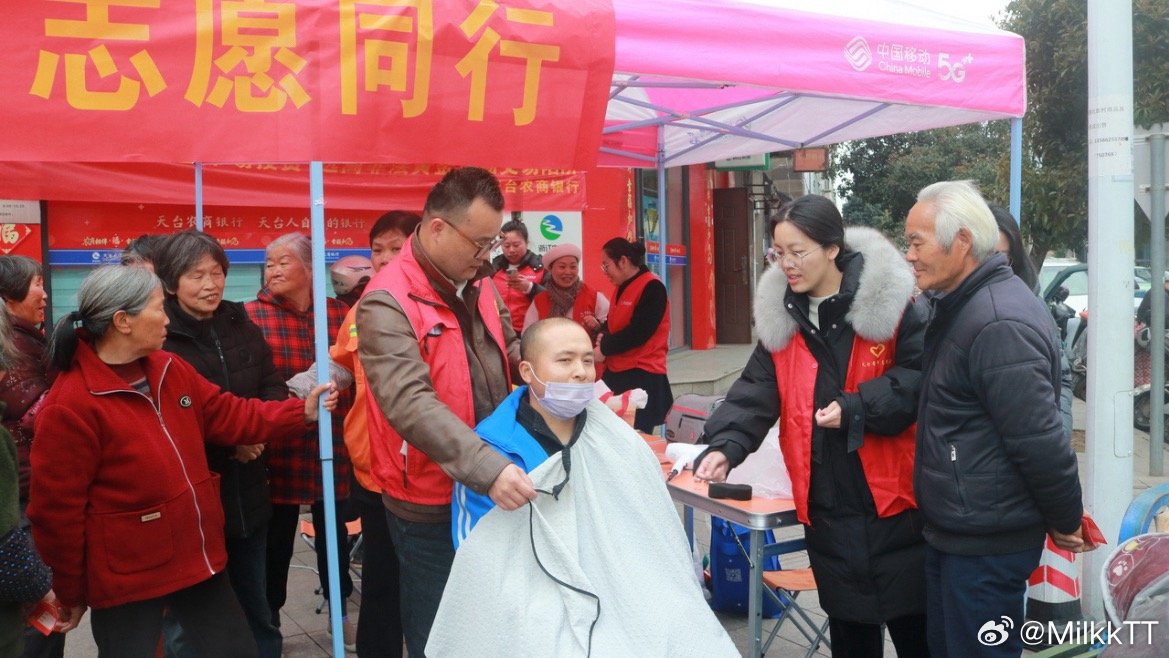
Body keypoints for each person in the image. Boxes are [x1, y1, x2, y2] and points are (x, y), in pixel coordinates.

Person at [27, 265, 335, 657]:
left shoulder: (169, 368)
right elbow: (56, 514)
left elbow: (230, 414)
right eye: (159, 308)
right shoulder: (71, 404)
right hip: (127, 573)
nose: (168, 320)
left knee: (236, 650)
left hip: (196, 555)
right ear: (123, 321)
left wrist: (299, 413)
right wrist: (69, 590)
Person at [695, 196, 929, 657]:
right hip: (825, 502)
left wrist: (858, 406)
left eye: (797, 251)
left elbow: (920, 380)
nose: (787, 265)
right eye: (778, 253)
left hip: (895, 503)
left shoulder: (893, 307)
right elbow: (755, 391)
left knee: (917, 633)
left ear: (832, 248)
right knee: (849, 634)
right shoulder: (784, 319)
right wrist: (726, 444)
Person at [430, 318, 738, 657]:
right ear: (527, 371)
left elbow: (648, 529)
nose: (580, 372)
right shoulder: (492, 451)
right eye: (564, 360)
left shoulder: (616, 438)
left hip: (616, 588)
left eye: (588, 360)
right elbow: (481, 553)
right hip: (531, 598)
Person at [904, 180, 1091, 657]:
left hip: (986, 544)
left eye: (916, 242)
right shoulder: (959, 305)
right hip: (960, 532)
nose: (909, 255)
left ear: (961, 242)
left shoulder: (995, 320)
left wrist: (1065, 517)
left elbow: (1040, 440)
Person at [357, 166, 530, 656]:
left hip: (494, 480)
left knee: (494, 619)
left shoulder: (478, 281)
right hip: (430, 498)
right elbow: (408, 402)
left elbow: (509, 345)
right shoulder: (386, 301)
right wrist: (486, 467)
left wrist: (553, 371)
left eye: (492, 244)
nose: (485, 256)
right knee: (441, 628)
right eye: (479, 243)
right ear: (437, 229)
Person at [154, 230, 287, 658]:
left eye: (217, 273)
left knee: (257, 606)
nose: (211, 284)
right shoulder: (159, 337)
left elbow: (272, 387)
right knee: (188, 622)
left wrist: (256, 433)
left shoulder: (238, 323)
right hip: (192, 500)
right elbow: (165, 421)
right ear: (171, 283)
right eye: (197, 275)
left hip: (249, 493)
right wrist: (234, 441)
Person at [244, 232, 355, 644]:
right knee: (276, 542)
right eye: (268, 262)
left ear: (310, 268)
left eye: (282, 261)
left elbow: (355, 371)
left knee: (335, 535)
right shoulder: (250, 315)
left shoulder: (339, 313)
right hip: (279, 442)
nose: (272, 269)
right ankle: (269, 623)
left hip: (335, 441)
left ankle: (339, 616)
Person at [329, 209, 421, 657]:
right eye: (377, 249)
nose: (384, 259)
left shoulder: (437, 304)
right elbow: (341, 366)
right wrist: (312, 390)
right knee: (381, 581)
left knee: (427, 581)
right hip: (371, 466)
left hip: (426, 471)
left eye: (396, 247)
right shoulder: (363, 307)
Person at [0, 255, 65, 658]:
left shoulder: (29, 338)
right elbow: (40, 414)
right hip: (23, 493)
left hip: (29, 487)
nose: (43, 292)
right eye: (36, 283)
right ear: (8, 296)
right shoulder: (14, 346)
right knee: (34, 608)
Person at [990, 204, 1075, 441]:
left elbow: (1063, 376)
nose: (989, 268)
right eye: (981, 256)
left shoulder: (1031, 305)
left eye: (998, 257)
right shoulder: (942, 306)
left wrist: (1059, 434)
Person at [595, 237, 673, 433]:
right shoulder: (621, 287)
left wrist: (604, 347)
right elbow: (613, 321)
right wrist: (602, 334)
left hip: (642, 374)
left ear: (623, 261)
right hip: (617, 371)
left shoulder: (652, 287)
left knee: (637, 437)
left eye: (606, 265)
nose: (605, 272)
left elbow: (639, 332)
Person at [521, 243, 609, 340]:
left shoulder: (594, 296)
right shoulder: (539, 301)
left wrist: (598, 326)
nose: (568, 272)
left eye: (573, 267)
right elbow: (528, 336)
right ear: (550, 269)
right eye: (562, 267)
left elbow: (610, 330)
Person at [491, 218, 544, 334]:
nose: (511, 250)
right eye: (506, 246)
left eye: (516, 245)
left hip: (531, 333)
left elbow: (552, 299)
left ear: (526, 242)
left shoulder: (540, 267)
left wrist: (530, 288)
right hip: (499, 332)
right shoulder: (493, 268)